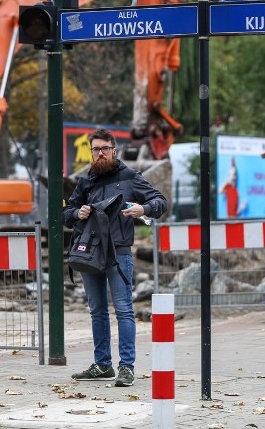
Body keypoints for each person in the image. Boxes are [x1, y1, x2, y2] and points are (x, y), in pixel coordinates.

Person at [63, 128, 167, 387]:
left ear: (114, 150)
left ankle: (127, 367)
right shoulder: (86, 181)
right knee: (97, 311)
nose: (100, 154)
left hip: (119, 252)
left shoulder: (130, 177)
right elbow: (66, 214)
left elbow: (161, 202)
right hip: (90, 254)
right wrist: (78, 213)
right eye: (96, 149)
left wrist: (144, 208)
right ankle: (102, 365)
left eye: (104, 149)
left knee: (123, 310)